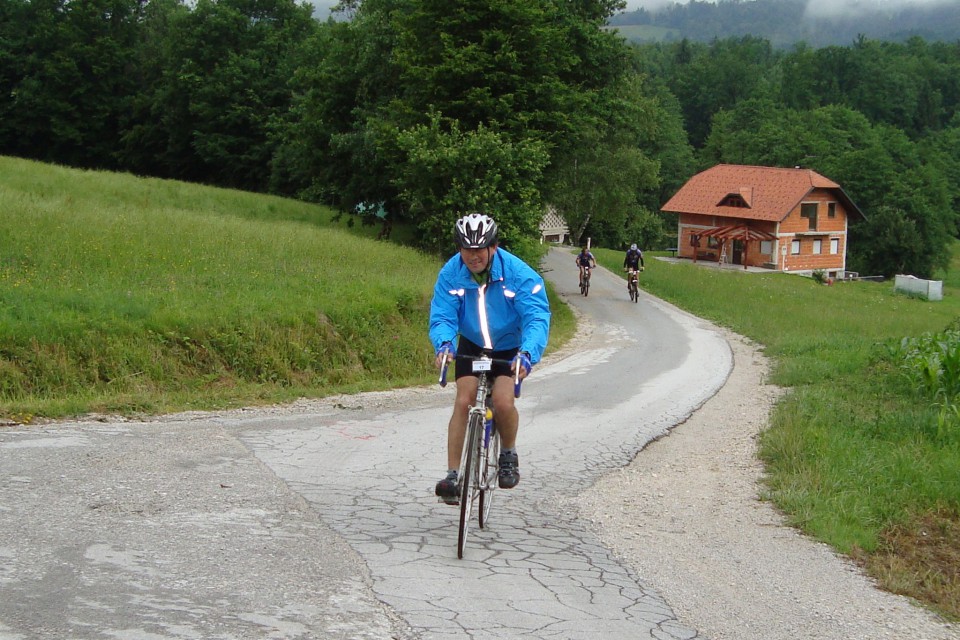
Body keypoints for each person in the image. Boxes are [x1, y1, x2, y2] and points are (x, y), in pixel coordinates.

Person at [430, 212, 551, 505]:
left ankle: (508, 453)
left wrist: (527, 354)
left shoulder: (518, 274)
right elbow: (443, 314)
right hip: (471, 344)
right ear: (459, 249)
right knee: (464, 400)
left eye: (479, 249)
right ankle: (453, 476)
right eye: (466, 249)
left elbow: (536, 317)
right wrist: (444, 344)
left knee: (502, 401)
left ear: (493, 247)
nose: (473, 256)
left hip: (509, 347)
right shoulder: (451, 273)